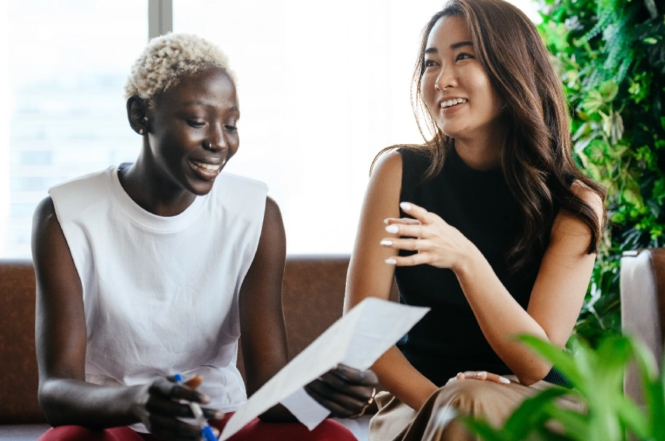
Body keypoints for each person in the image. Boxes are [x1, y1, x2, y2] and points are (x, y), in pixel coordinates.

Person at [32, 33, 376, 441]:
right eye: (197, 121)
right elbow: (56, 392)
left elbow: (269, 384)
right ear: (140, 116)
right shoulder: (65, 216)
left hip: (220, 423)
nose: (219, 142)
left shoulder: (257, 215)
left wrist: (324, 393)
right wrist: (138, 400)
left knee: (334, 437)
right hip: (118, 421)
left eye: (230, 124)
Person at [344, 1, 606, 440]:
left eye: (463, 56)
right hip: (419, 398)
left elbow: (535, 361)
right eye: (431, 63)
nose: (441, 78)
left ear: (512, 70)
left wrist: (466, 259)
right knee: (463, 405)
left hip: (534, 399)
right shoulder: (398, 172)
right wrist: (445, 404)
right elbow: (362, 332)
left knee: (468, 402)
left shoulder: (573, 203)